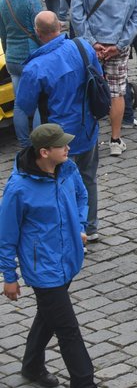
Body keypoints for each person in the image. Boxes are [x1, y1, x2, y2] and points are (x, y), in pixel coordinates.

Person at [0, 123, 99, 388]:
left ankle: (31, 366)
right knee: (67, 329)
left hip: (68, 260)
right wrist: (10, 277)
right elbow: (6, 237)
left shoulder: (68, 169)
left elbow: (81, 196)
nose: (68, 148)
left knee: (48, 315)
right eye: (62, 146)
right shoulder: (18, 189)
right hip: (42, 270)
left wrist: (79, 225)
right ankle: (84, 382)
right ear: (44, 152)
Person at [16, 11, 102, 241]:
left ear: (38, 33)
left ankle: (70, 231)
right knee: (88, 178)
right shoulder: (82, 47)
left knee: (60, 183)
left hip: (58, 136)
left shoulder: (36, 66)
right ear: (59, 26)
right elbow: (98, 78)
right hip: (88, 126)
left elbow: (24, 104)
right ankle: (90, 227)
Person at [70, 0, 137, 157]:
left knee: (85, 89)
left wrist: (91, 42)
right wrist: (120, 44)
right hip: (116, 47)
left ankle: (87, 138)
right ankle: (115, 139)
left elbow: (76, 14)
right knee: (117, 92)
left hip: (89, 49)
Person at [0, 0, 45, 147]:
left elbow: (3, 33)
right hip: (31, 57)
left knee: (20, 103)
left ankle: (24, 143)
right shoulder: (32, 0)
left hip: (11, 58)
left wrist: (9, 49)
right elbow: (39, 32)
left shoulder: (3, 1)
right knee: (37, 103)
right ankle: (39, 142)